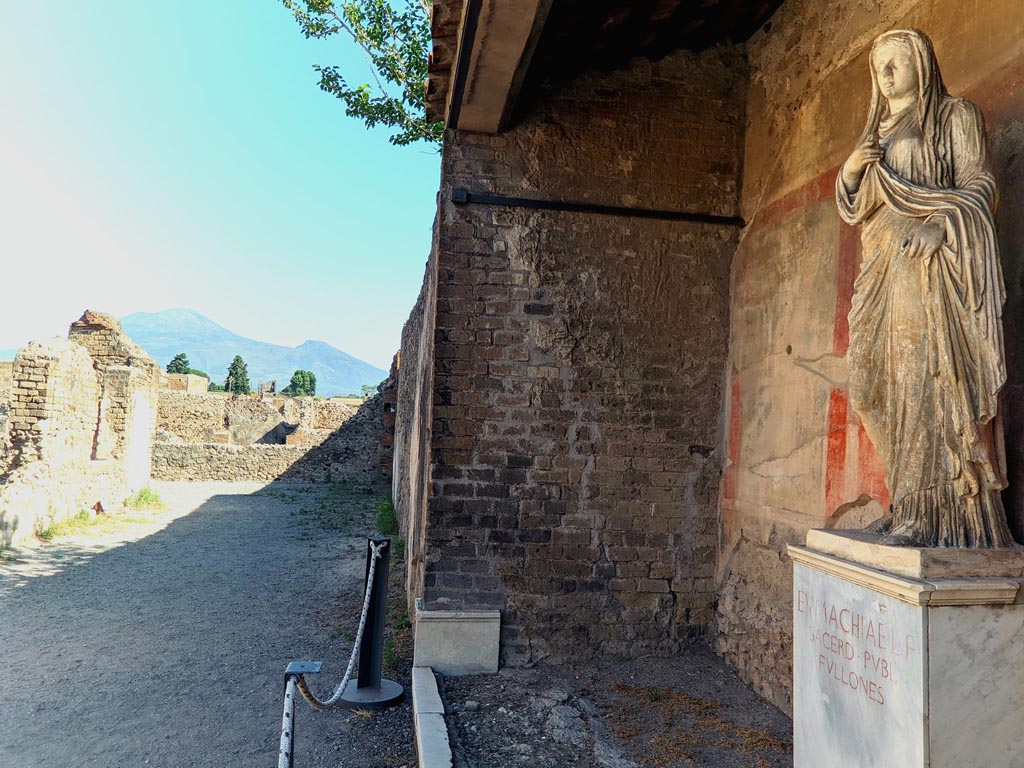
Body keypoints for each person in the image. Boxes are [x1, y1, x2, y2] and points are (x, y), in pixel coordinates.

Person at [836, 29, 1015, 547]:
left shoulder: (953, 116)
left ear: (922, 62)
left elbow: (979, 183)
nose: (886, 74)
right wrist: (850, 170)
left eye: (896, 62)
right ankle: (905, 502)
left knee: (920, 381)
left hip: (929, 264)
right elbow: (855, 208)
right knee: (873, 384)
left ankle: (931, 516)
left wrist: (942, 225)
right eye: (880, 67)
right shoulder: (878, 133)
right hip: (881, 268)